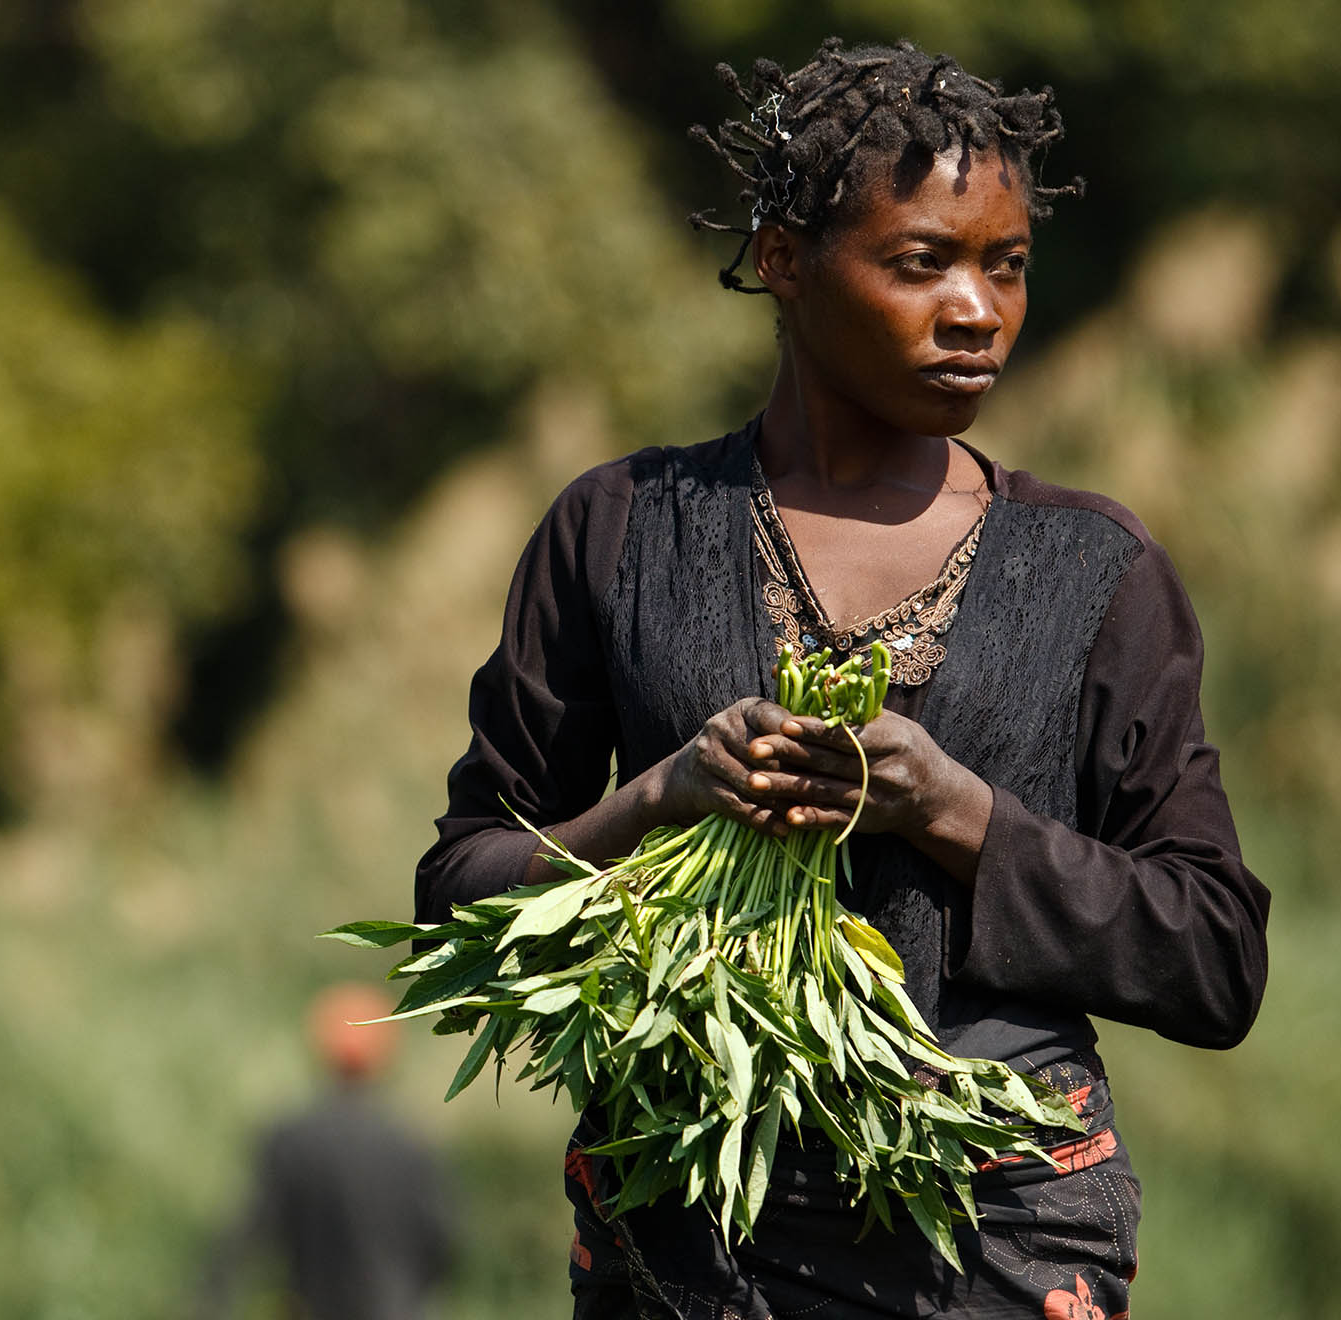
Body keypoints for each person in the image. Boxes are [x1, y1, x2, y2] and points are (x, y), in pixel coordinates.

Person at [414, 38, 1270, 1320]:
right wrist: (661, 799)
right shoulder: (622, 531)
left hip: (995, 1238)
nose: (978, 308)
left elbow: (1213, 959)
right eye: (923, 262)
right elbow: (457, 910)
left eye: (1006, 266)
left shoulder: (1095, 571)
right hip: (685, 1234)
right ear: (783, 264)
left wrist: (953, 815)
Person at [198, 983, 455, 1320]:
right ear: (387, 1052)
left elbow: (250, 1233)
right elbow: (444, 1243)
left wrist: (211, 1298)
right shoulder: (410, 1143)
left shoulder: (291, 1139)